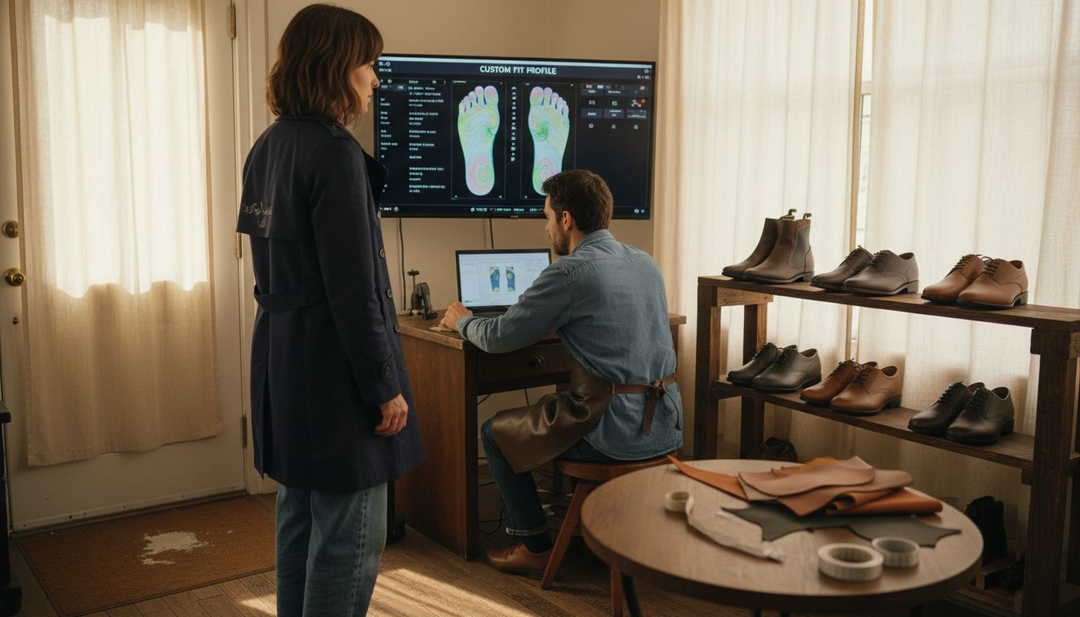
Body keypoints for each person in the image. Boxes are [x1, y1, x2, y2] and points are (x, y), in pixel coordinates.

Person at [236, 5, 424, 615]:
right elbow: (354, 290)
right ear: (338, 66)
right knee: (348, 536)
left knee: (298, 517)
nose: (375, 78)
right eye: (369, 64)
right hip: (338, 370)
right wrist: (384, 384)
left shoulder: (268, 147)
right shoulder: (335, 153)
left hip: (283, 358)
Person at [441, 169, 682, 573]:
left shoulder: (569, 273)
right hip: (665, 426)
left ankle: (532, 543)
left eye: (546, 216)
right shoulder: (644, 261)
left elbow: (500, 336)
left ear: (566, 220)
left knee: (493, 433)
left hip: (614, 433)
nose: (546, 227)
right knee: (553, 406)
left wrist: (462, 321)